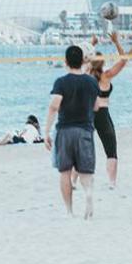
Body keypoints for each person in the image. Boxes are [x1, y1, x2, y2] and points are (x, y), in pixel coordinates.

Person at [45, 45, 100, 218]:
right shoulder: (91, 81)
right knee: (85, 171)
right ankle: (88, 193)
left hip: (65, 130)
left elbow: (54, 106)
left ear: (66, 61)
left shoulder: (61, 82)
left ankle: (69, 211)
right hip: (85, 130)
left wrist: (46, 131)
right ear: (82, 60)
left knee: (65, 173)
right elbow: (97, 106)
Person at [88, 31, 128, 189]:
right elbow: (123, 60)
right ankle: (112, 182)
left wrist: (91, 44)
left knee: (83, 148)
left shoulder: (85, 74)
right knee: (111, 149)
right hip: (103, 114)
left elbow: (80, 61)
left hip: (88, 114)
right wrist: (116, 42)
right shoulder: (106, 76)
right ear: (102, 62)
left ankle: (73, 181)